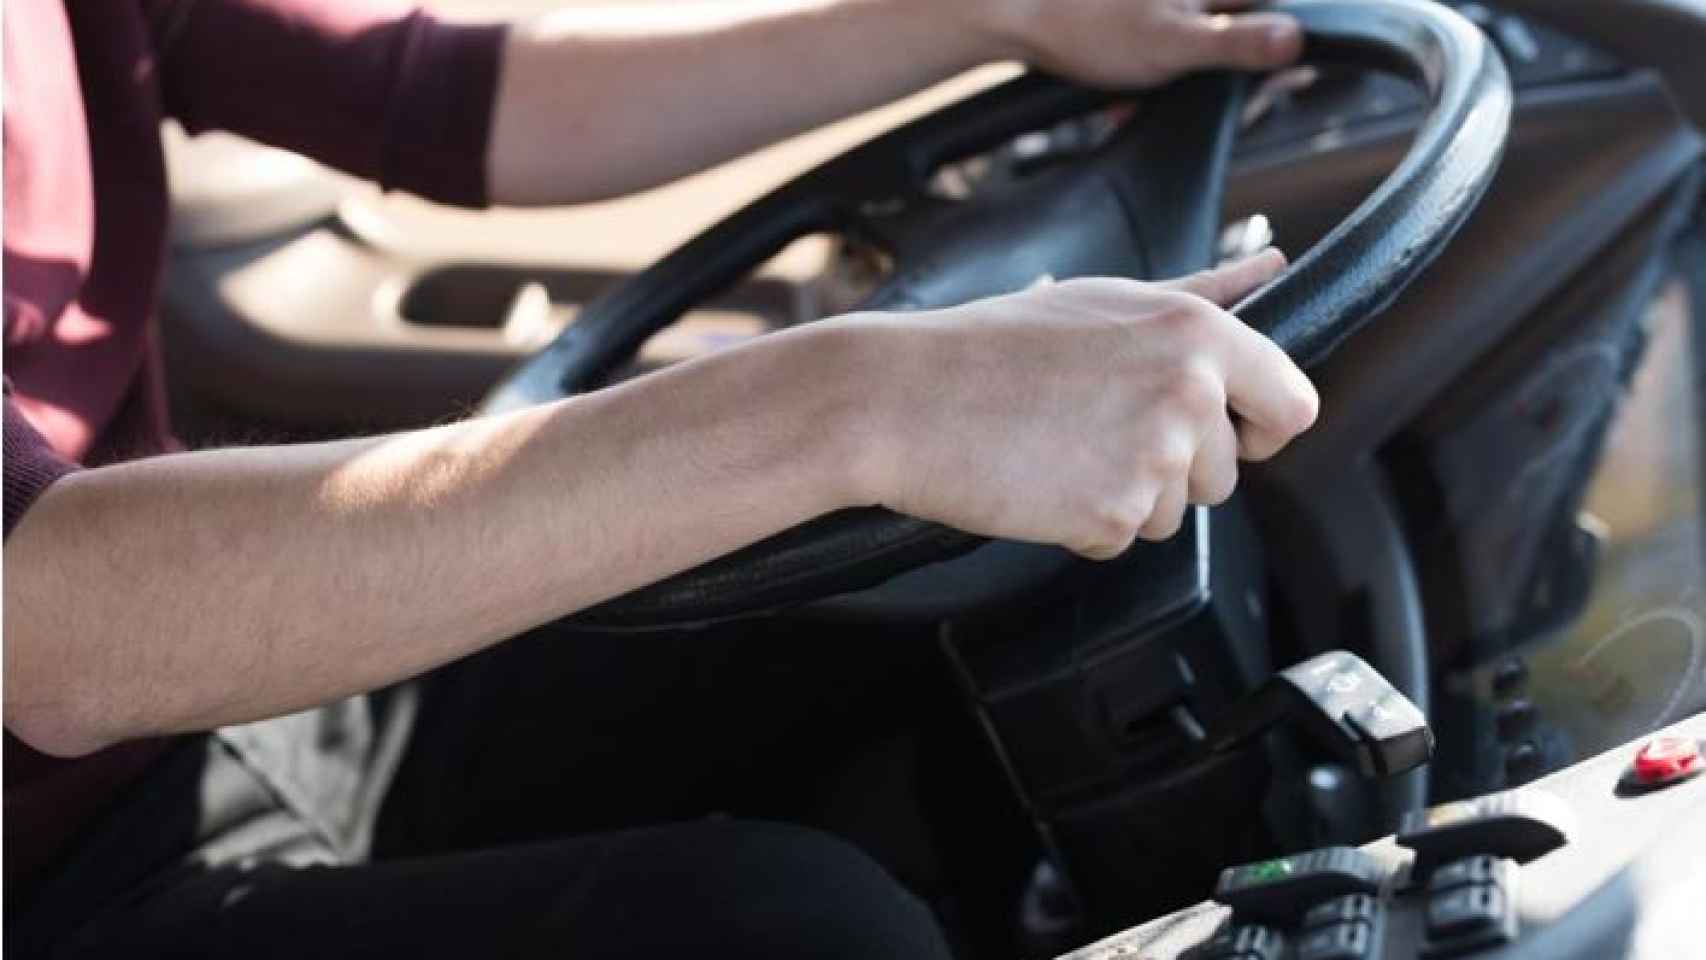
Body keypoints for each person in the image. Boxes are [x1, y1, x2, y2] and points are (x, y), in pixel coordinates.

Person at [2, 0, 1318, 956]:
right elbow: (51, 628)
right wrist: (855, 397)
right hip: (47, 865)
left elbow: (434, 96)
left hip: (216, 717)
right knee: (796, 936)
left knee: (952, 579)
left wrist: (990, 14)